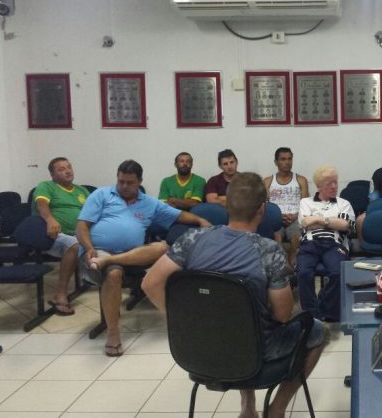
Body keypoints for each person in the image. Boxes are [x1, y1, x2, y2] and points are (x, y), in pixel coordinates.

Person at [142, 172, 326, 418]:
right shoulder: (269, 251)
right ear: (262, 210)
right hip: (255, 354)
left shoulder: (192, 239)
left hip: (197, 350)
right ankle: (277, 408)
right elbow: (282, 316)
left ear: (226, 206)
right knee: (317, 330)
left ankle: (247, 407)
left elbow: (150, 284)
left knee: (238, 320)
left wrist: (182, 319)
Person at [76, 160, 210, 357]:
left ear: (140, 181)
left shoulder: (149, 202)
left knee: (163, 247)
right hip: (97, 253)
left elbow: (179, 215)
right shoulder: (101, 195)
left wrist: (200, 220)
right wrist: (88, 247)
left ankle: (113, 260)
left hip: (131, 255)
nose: (124, 186)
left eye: (130, 182)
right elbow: (82, 226)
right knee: (113, 274)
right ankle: (113, 333)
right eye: (121, 181)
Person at [31, 157, 90, 316]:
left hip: (81, 233)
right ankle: (60, 294)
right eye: (61, 169)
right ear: (52, 174)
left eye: (69, 167)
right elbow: (42, 204)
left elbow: (93, 211)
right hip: (55, 235)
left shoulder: (82, 190)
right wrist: (50, 219)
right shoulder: (46, 186)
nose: (67, 171)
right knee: (74, 245)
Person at [297, 166, 355, 322]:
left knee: (338, 273)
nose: (334, 186)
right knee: (303, 273)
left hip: (334, 244)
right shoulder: (305, 202)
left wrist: (318, 218)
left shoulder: (344, 203)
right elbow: (306, 223)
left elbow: (345, 225)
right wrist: (332, 221)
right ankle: (311, 315)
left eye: (336, 182)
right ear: (319, 186)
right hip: (309, 243)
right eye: (329, 183)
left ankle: (327, 310)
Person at [263, 147, 309, 266]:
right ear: (276, 162)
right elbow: (264, 205)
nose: (287, 162)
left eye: (289, 159)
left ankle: (293, 257)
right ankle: (282, 261)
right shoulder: (268, 181)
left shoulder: (301, 180)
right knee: (277, 235)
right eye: (283, 159)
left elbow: (305, 204)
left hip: (295, 217)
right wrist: (278, 216)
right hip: (276, 218)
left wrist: (295, 215)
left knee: (296, 235)